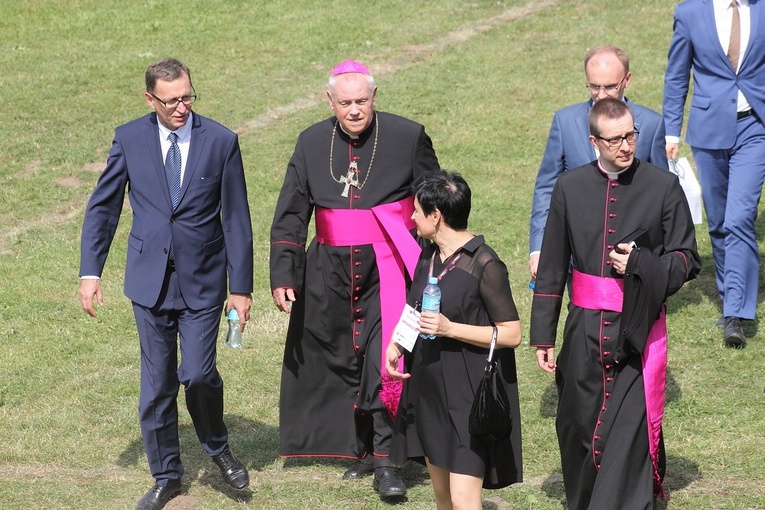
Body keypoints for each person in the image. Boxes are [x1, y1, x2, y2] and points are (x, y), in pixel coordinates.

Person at [79, 58, 253, 510]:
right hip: (149, 282)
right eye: (171, 99)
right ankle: (167, 475)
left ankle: (218, 449)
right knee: (157, 385)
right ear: (150, 99)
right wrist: (90, 272)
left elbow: (236, 218)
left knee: (197, 374)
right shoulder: (130, 138)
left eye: (187, 96)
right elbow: (104, 209)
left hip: (204, 282)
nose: (181, 106)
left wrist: (242, 288)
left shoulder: (221, 141)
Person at [269, 59, 439, 498]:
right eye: (345, 103)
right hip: (328, 272)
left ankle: (387, 462)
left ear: (375, 97)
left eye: (362, 100)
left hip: (390, 269)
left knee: (387, 356)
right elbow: (291, 212)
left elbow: (434, 200)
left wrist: (437, 258)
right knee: (343, 356)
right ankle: (361, 448)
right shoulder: (311, 142)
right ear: (330, 101)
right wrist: (284, 273)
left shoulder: (407, 136)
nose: (354, 110)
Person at [530, 98, 700, 510]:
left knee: (627, 434)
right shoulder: (570, 188)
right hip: (583, 328)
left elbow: (687, 258)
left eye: (630, 136)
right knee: (577, 426)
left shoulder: (663, 186)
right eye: (614, 139)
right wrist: (542, 335)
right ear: (593, 141)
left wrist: (641, 264)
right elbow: (552, 262)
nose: (625, 146)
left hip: (637, 331)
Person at [386, 170, 523, 510]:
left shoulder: (486, 264)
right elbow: (414, 306)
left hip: (469, 394)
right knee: (443, 497)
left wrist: (451, 329)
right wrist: (398, 343)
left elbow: (512, 333)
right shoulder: (428, 256)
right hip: (429, 390)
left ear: (437, 216)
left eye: (417, 211)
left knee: (464, 500)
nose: (412, 217)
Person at [663, 0, 765, 348]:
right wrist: (671, 132)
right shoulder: (690, 13)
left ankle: (735, 312)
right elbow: (677, 73)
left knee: (739, 218)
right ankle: (730, 295)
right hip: (708, 132)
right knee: (720, 221)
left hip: (756, 127)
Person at [529, 45, 668, 278]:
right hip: (579, 254)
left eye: (610, 87)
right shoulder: (565, 122)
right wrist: (539, 247)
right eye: (594, 86)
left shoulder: (651, 124)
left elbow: (663, 193)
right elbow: (546, 187)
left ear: (627, 80)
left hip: (632, 253)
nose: (602, 95)